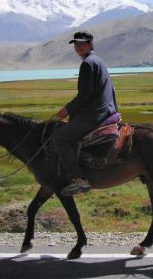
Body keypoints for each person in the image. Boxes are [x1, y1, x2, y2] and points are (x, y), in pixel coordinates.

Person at [54, 31, 118, 196]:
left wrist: (66, 110)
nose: (78, 47)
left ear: (90, 44)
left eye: (82, 44)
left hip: (95, 114)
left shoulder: (88, 64)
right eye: (76, 45)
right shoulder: (99, 61)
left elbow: (85, 95)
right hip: (106, 109)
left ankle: (79, 179)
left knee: (60, 138)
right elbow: (111, 89)